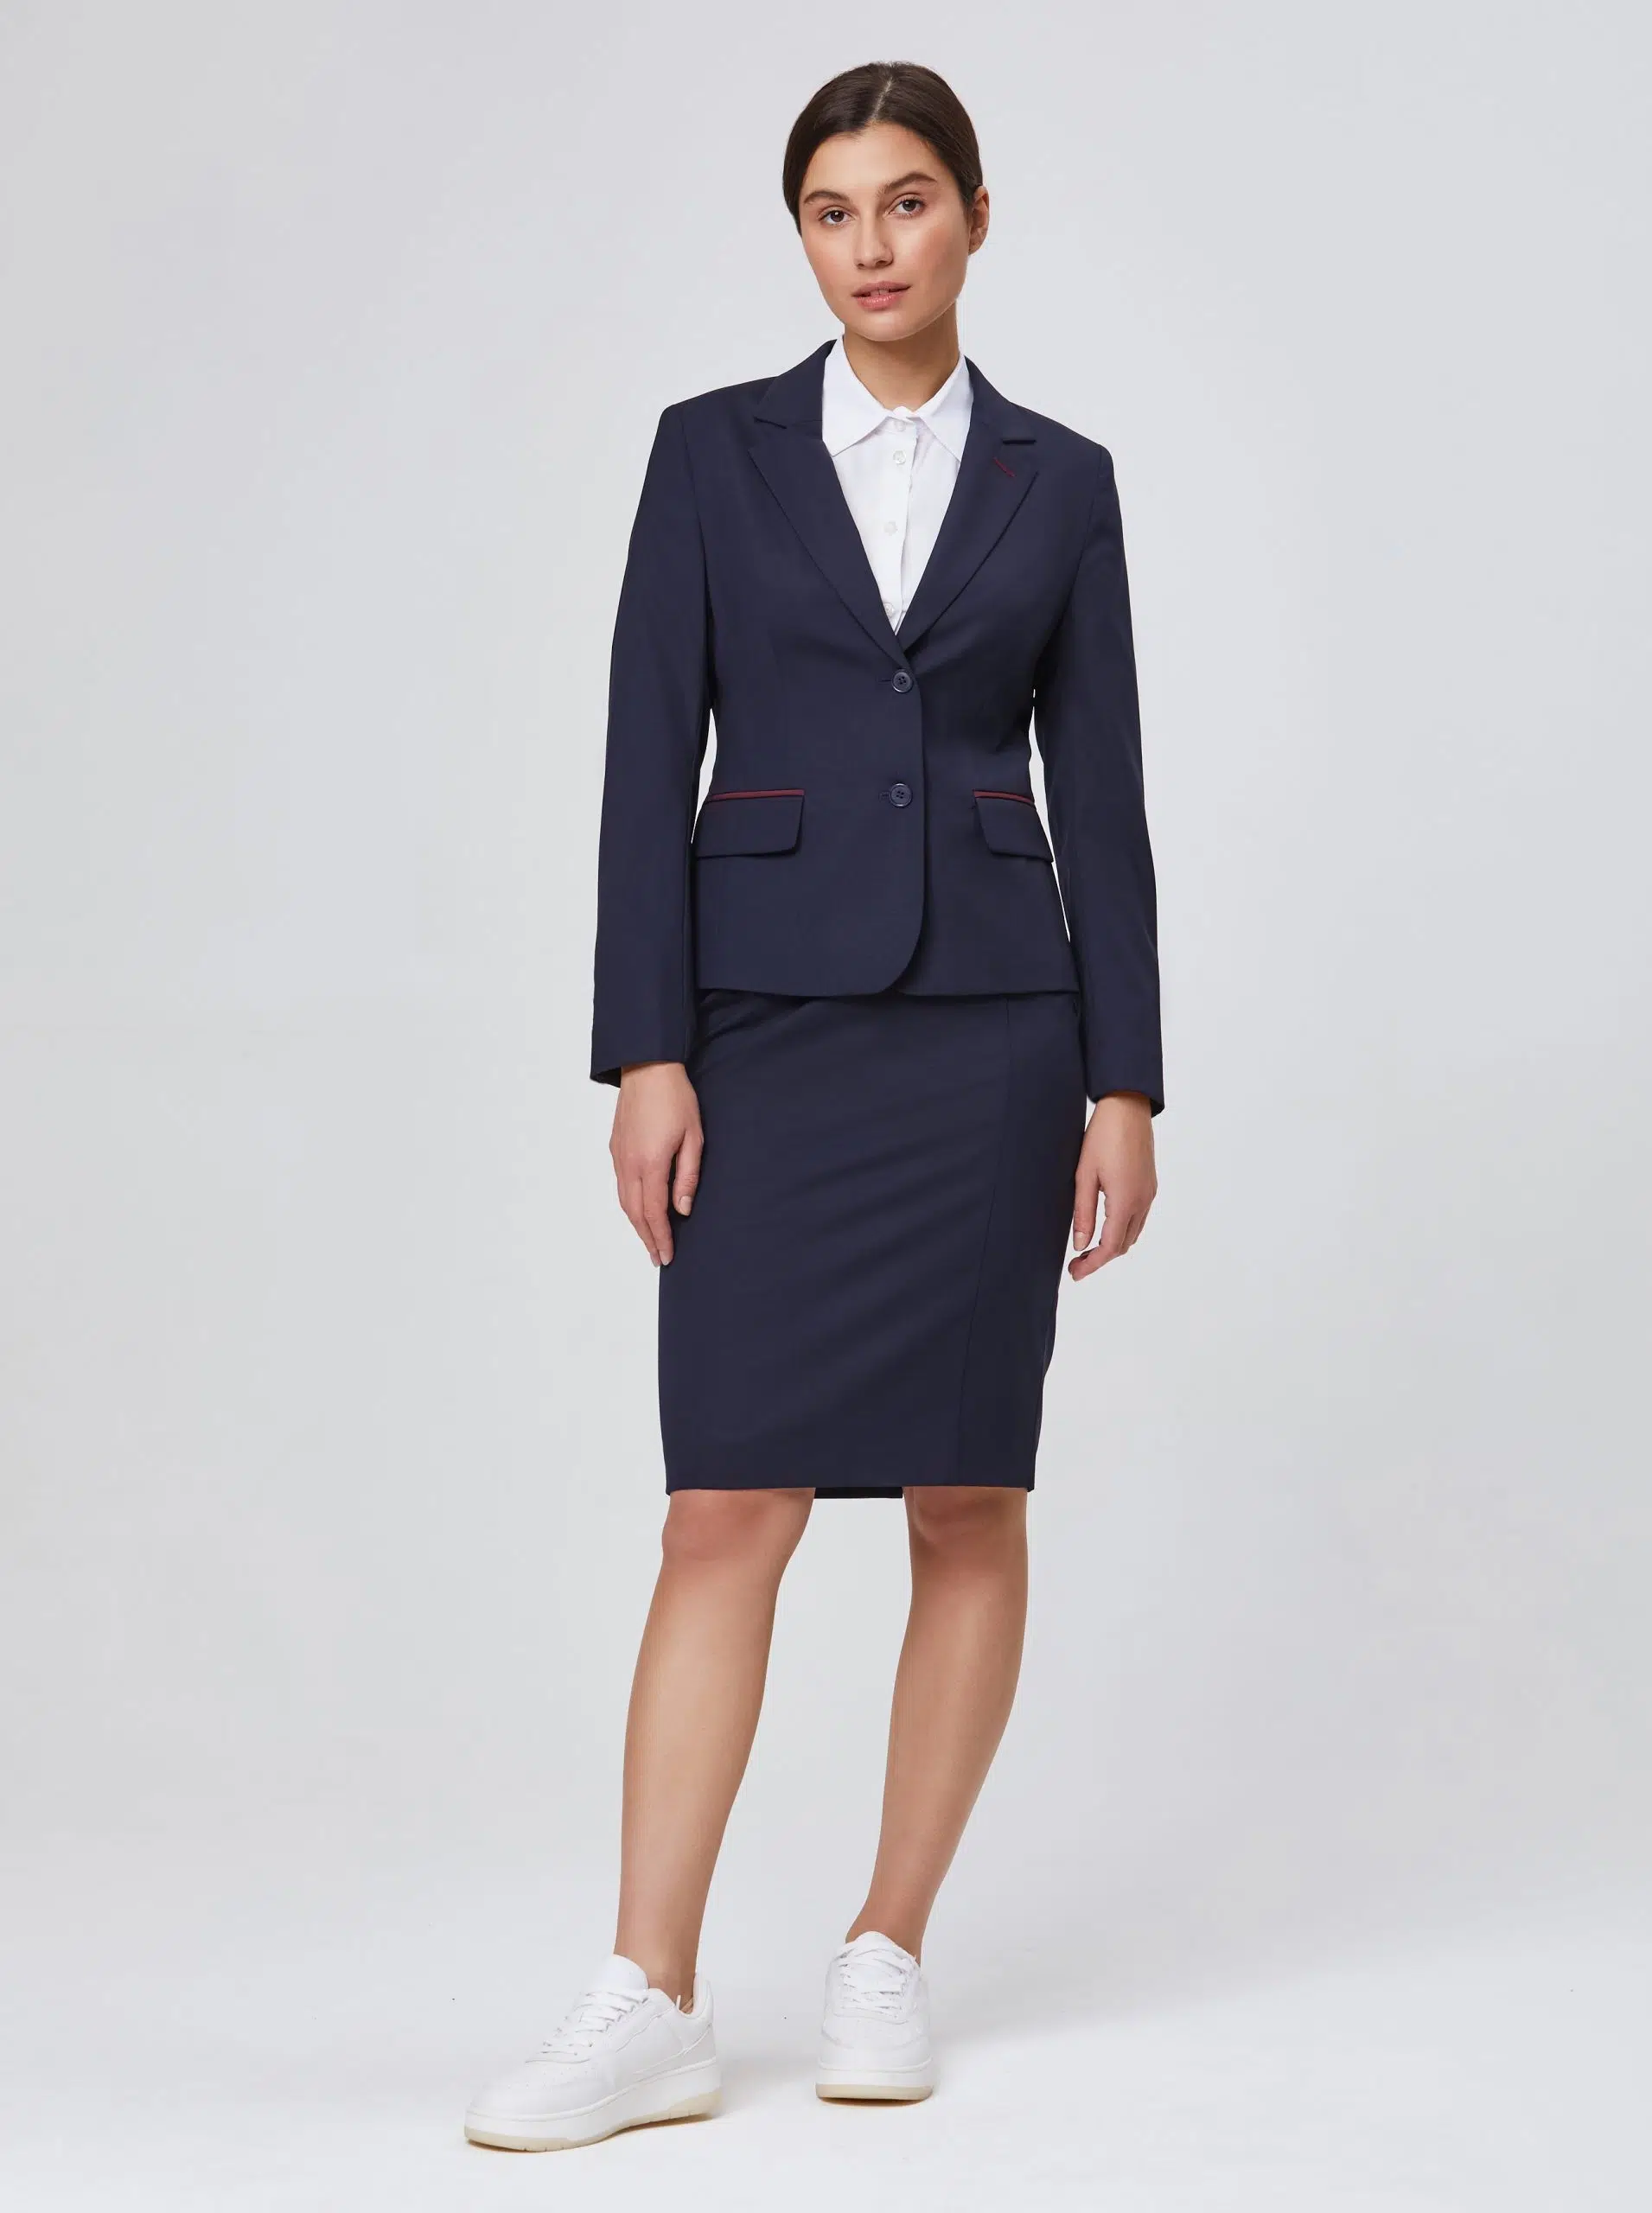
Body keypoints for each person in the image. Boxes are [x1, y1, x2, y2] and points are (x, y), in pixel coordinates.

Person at [464, 57, 1161, 2152]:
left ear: (975, 218)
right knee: (724, 1502)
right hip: (763, 1024)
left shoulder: (1061, 479)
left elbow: (1104, 794)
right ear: (803, 236)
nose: (872, 244)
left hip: (994, 1031)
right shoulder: (713, 453)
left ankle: (886, 1941)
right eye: (835, 210)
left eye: (909, 201)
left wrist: (1124, 1076)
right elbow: (640, 758)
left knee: (970, 1495)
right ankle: (648, 1993)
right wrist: (646, 1047)